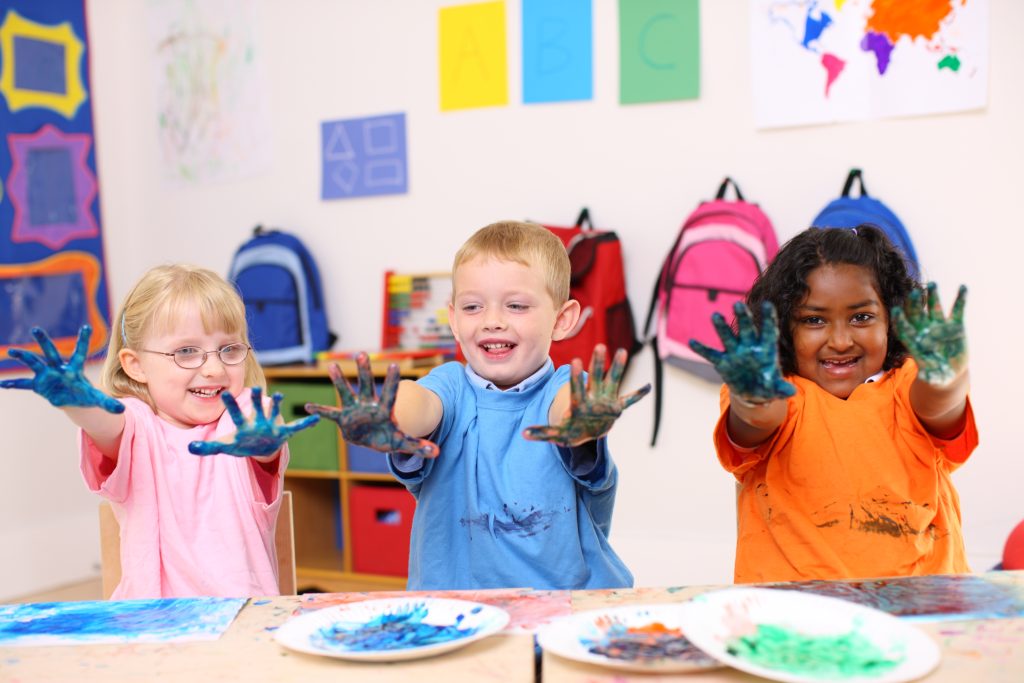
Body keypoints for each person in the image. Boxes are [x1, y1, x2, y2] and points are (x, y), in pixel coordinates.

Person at [307, 221, 650, 590]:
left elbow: (566, 409)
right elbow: (418, 403)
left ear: (562, 320)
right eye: (473, 307)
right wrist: (390, 416)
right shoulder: (450, 385)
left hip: (565, 608)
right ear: (453, 319)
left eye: (516, 305)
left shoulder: (565, 388)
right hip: (458, 612)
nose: (492, 321)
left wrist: (580, 419)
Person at [1, 264, 318, 599]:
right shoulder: (136, 426)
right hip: (152, 627)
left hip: (243, 623)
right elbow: (105, 425)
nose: (214, 368)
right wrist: (75, 403)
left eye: (229, 349)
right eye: (186, 351)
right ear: (135, 365)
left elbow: (263, 436)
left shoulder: (245, 416)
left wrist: (264, 442)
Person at [689, 225, 976, 583]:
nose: (840, 341)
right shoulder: (777, 391)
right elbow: (757, 420)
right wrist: (754, 396)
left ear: (891, 319)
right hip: (797, 619)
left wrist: (946, 376)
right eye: (814, 320)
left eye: (861, 317)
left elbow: (939, 405)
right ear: (782, 327)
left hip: (920, 610)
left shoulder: (908, 384)